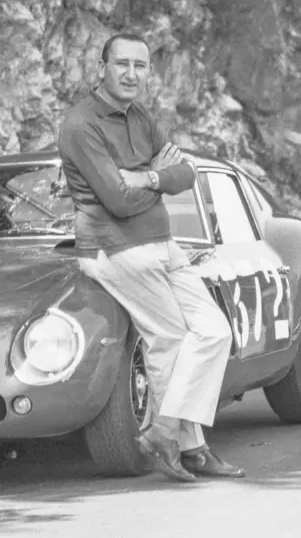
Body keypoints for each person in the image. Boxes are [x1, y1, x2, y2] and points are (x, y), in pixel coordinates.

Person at [57, 32, 245, 482]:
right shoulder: (82, 126)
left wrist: (145, 180)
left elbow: (187, 173)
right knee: (172, 340)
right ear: (101, 66)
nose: (130, 74)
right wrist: (156, 178)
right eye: (121, 64)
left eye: (140, 66)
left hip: (162, 244)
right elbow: (117, 202)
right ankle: (191, 447)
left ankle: (164, 431)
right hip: (115, 248)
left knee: (214, 333)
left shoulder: (140, 115)